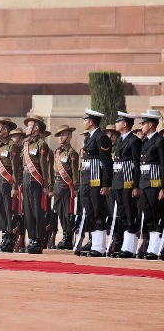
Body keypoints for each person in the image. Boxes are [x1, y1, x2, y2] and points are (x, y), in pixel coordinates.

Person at [79, 109, 113, 257]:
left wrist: (106, 184)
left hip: (96, 179)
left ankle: (100, 247)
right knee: (90, 211)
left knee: (98, 210)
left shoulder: (101, 137)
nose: (84, 122)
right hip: (87, 179)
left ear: (91, 121)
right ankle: (95, 244)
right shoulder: (89, 138)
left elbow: (106, 162)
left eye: (85, 120)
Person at [19, 114, 52, 254]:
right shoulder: (25, 144)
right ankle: (31, 238)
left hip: (36, 181)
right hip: (26, 180)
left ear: (36, 128)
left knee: (37, 212)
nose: (27, 128)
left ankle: (39, 241)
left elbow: (44, 167)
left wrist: (47, 186)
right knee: (27, 212)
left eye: (29, 125)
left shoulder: (41, 144)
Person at [112, 112, 142, 258]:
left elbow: (137, 165)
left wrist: (136, 185)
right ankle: (125, 245)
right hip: (118, 182)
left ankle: (131, 247)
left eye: (118, 122)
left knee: (130, 214)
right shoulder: (119, 141)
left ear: (124, 124)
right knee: (122, 214)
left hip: (128, 182)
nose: (116, 124)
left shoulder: (134, 141)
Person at [0, 117, 21, 252]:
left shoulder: (12, 146)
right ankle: (5, 235)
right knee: (0, 210)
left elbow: (15, 168)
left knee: (9, 210)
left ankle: (10, 237)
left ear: (5, 129)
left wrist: (15, 186)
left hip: (7, 181)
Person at [137, 110, 164, 260]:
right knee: (147, 215)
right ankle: (152, 247)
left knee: (155, 215)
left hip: (154, 184)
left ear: (151, 125)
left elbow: (162, 165)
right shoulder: (145, 141)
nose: (141, 126)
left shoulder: (159, 141)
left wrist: (162, 187)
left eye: (143, 123)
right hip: (144, 184)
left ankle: (155, 248)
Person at [51, 124, 79, 250]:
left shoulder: (71, 153)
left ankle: (68, 236)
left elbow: (74, 172)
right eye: (59, 135)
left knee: (68, 213)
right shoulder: (57, 152)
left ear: (69, 136)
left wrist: (76, 187)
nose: (61, 138)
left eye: (63, 135)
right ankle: (64, 234)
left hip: (67, 186)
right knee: (60, 212)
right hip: (57, 186)